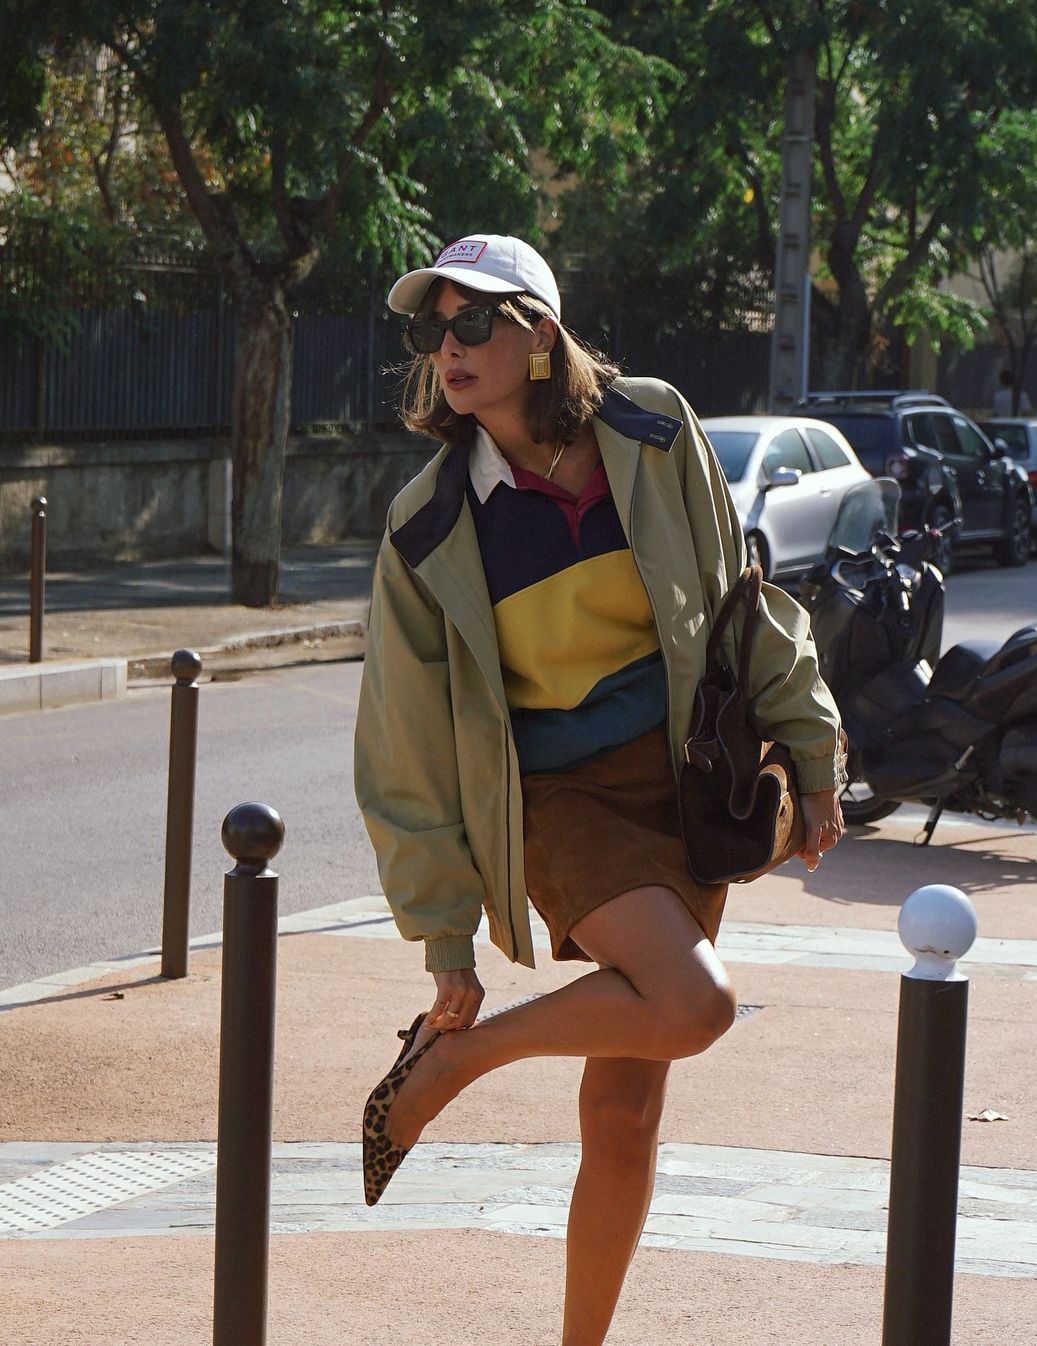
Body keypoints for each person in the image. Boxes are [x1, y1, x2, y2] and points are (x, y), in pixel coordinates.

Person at [354, 234, 846, 1345]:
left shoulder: (654, 430)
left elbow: (739, 600)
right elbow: (405, 747)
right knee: (695, 1003)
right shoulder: (431, 522)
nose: (450, 346)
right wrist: (445, 942)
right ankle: (451, 1064)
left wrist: (812, 751)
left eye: (475, 320)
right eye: (438, 327)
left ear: (542, 331)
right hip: (560, 801)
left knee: (624, 1113)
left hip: (688, 782)